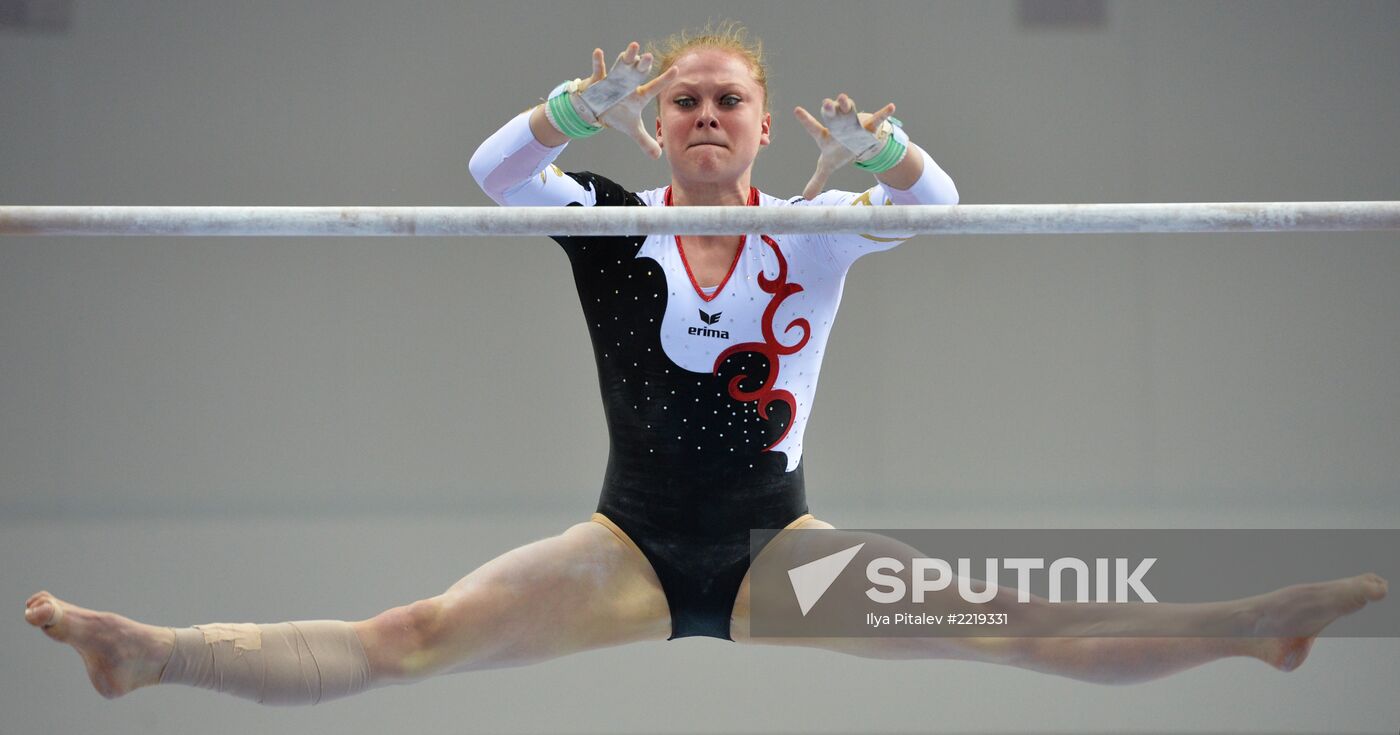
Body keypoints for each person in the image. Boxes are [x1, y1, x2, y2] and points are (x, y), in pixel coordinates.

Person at [25, 23, 1388, 705]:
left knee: (1019, 623)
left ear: (757, 120)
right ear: (662, 123)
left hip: (775, 549)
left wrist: (895, 158)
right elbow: (497, 174)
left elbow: (940, 212)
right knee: (411, 638)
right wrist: (565, 112)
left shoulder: (817, 229)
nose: (704, 116)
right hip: (623, 544)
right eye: (683, 99)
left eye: (728, 97)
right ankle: (157, 654)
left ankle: (1248, 624)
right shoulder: (609, 225)